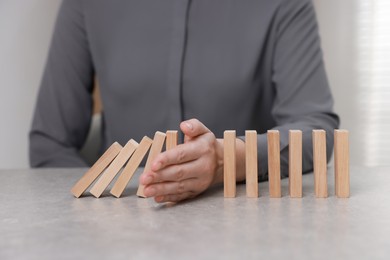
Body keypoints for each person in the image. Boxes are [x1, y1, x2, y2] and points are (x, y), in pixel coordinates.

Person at [30, 0, 339, 203]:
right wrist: (100, 210)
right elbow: (49, 143)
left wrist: (228, 160)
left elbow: (317, 130)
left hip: (243, 221)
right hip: (120, 225)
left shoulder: (284, 4)